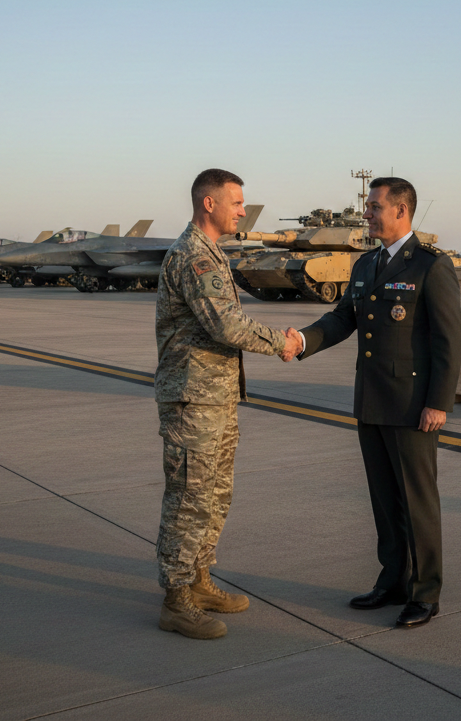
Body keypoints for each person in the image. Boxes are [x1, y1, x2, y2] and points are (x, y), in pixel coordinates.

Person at [289, 176, 461, 628]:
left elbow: (449, 342)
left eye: (374, 207)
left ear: (401, 210)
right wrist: (303, 340)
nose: (366, 213)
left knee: (417, 503)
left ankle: (425, 593)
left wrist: (438, 403)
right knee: (384, 501)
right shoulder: (366, 264)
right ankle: (393, 582)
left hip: (412, 406)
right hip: (372, 400)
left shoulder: (430, 266)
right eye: (367, 207)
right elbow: (342, 318)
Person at [155, 168, 303, 639]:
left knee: (214, 496)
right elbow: (226, 326)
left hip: (215, 397)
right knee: (189, 498)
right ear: (209, 203)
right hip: (193, 400)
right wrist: (281, 342)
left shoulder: (211, 251)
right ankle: (176, 599)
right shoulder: (193, 256)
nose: (242, 210)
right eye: (236, 202)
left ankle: (199, 581)